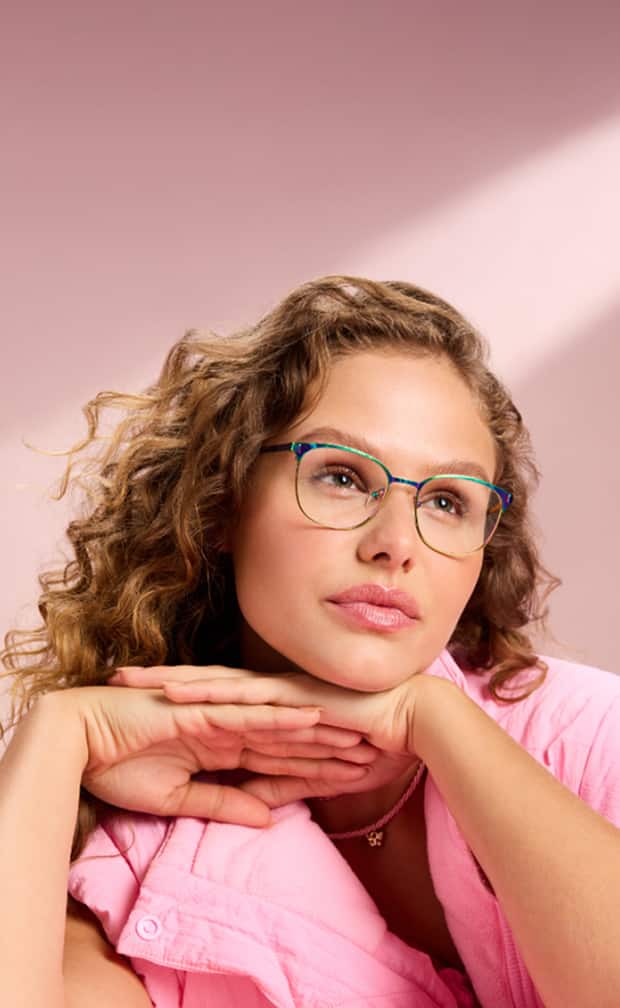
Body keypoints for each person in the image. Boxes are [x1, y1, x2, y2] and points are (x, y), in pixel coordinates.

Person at [1, 275, 619, 1008]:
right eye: (342, 477)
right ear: (222, 503)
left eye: (447, 501)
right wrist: (60, 732)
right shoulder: (147, 854)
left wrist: (433, 718)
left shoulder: (586, 736)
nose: (397, 545)